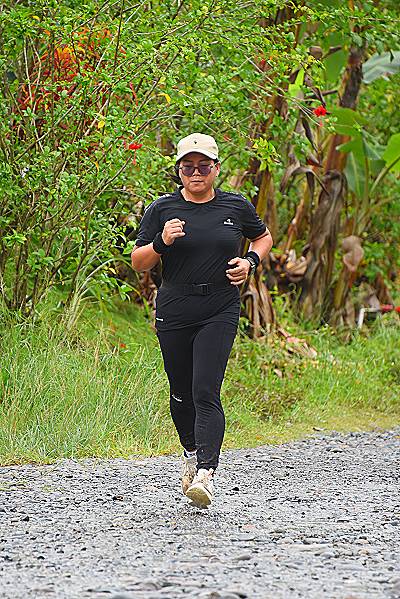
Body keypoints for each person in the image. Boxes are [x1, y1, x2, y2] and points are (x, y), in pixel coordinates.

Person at [131, 133, 273, 507]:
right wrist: (161, 242)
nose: (196, 173)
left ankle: (206, 474)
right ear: (179, 170)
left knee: (205, 390)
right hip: (176, 306)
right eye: (188, 167)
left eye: (203, 166)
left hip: (219, 307)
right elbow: (139, 262)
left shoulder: (235, 206)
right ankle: (191, 453)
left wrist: (250, 262)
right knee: (180, 392)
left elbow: (263, 238)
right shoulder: (162, 209)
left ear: (216, 169)